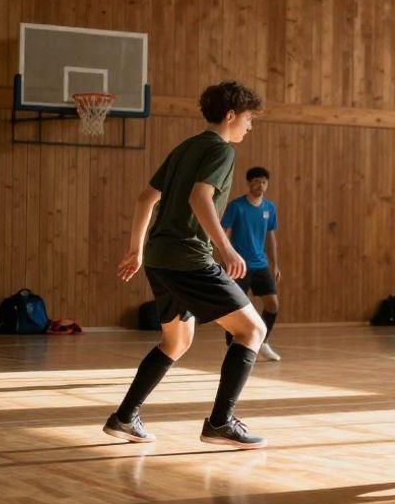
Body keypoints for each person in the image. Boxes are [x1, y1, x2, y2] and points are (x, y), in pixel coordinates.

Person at [103, 81, 270, 449]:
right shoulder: (221, 151)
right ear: (231, 116)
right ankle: (220, 423)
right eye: (248, 119)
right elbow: (200, 196)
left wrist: (137, 249)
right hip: (187, 259)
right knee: (252, 331)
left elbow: (146, 198)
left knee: (177, 340)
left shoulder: (185, 147)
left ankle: (124, 418)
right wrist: (225, 248)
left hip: (161, 259)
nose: (249, 126)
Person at [221, 167, 281, 361]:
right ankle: (232, 346)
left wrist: (275, 264)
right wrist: (226, 259)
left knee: (273, 305)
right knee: (235, 309)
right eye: (256, 181)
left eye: (264, 182)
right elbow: (225, 233)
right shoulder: (236, 206)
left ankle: (262, 343)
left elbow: (270, 236)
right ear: (248, 183)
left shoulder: (269, 208)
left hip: (261, 265)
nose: (260, 185)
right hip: (239, 265)